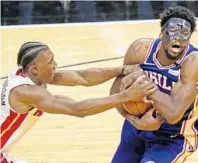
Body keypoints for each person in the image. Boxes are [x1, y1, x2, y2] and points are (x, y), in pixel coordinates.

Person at [0, 41, 157, 163]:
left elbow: (80, 77)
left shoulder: (30, 75)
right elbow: (78, 110)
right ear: (34, 69)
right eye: (50, 62)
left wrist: (120, 70)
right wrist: (127, 96)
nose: (55, 65)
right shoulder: (25, 91)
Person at [110, 6, 198, 163]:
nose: (177, 38)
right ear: (161, 33)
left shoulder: (192, 63)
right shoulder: (140, 50)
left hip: (174, 135)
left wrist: (144, 83)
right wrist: (135, 121)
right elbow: (115, 95)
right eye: (172, 31)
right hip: (137, 124)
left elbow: (173, 114)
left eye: (184, 34)